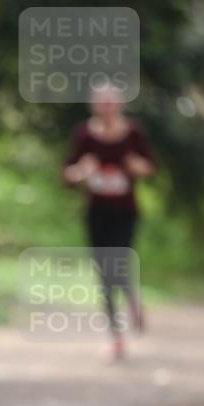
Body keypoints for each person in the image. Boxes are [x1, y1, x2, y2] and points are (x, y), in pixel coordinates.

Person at [63, 84, 155, 362]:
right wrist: (83, 171)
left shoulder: (133, 133)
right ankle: (116, 338)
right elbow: (67, 174)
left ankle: (133, 301)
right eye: (101, 102)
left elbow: (150, 167)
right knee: (104, 274)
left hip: (126, 213)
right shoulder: (84, 134)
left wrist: (135, 166)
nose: (106, 107)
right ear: (93, 105)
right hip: (97, 213)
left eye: (111, 102)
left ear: (120, 105)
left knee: (118, 263)